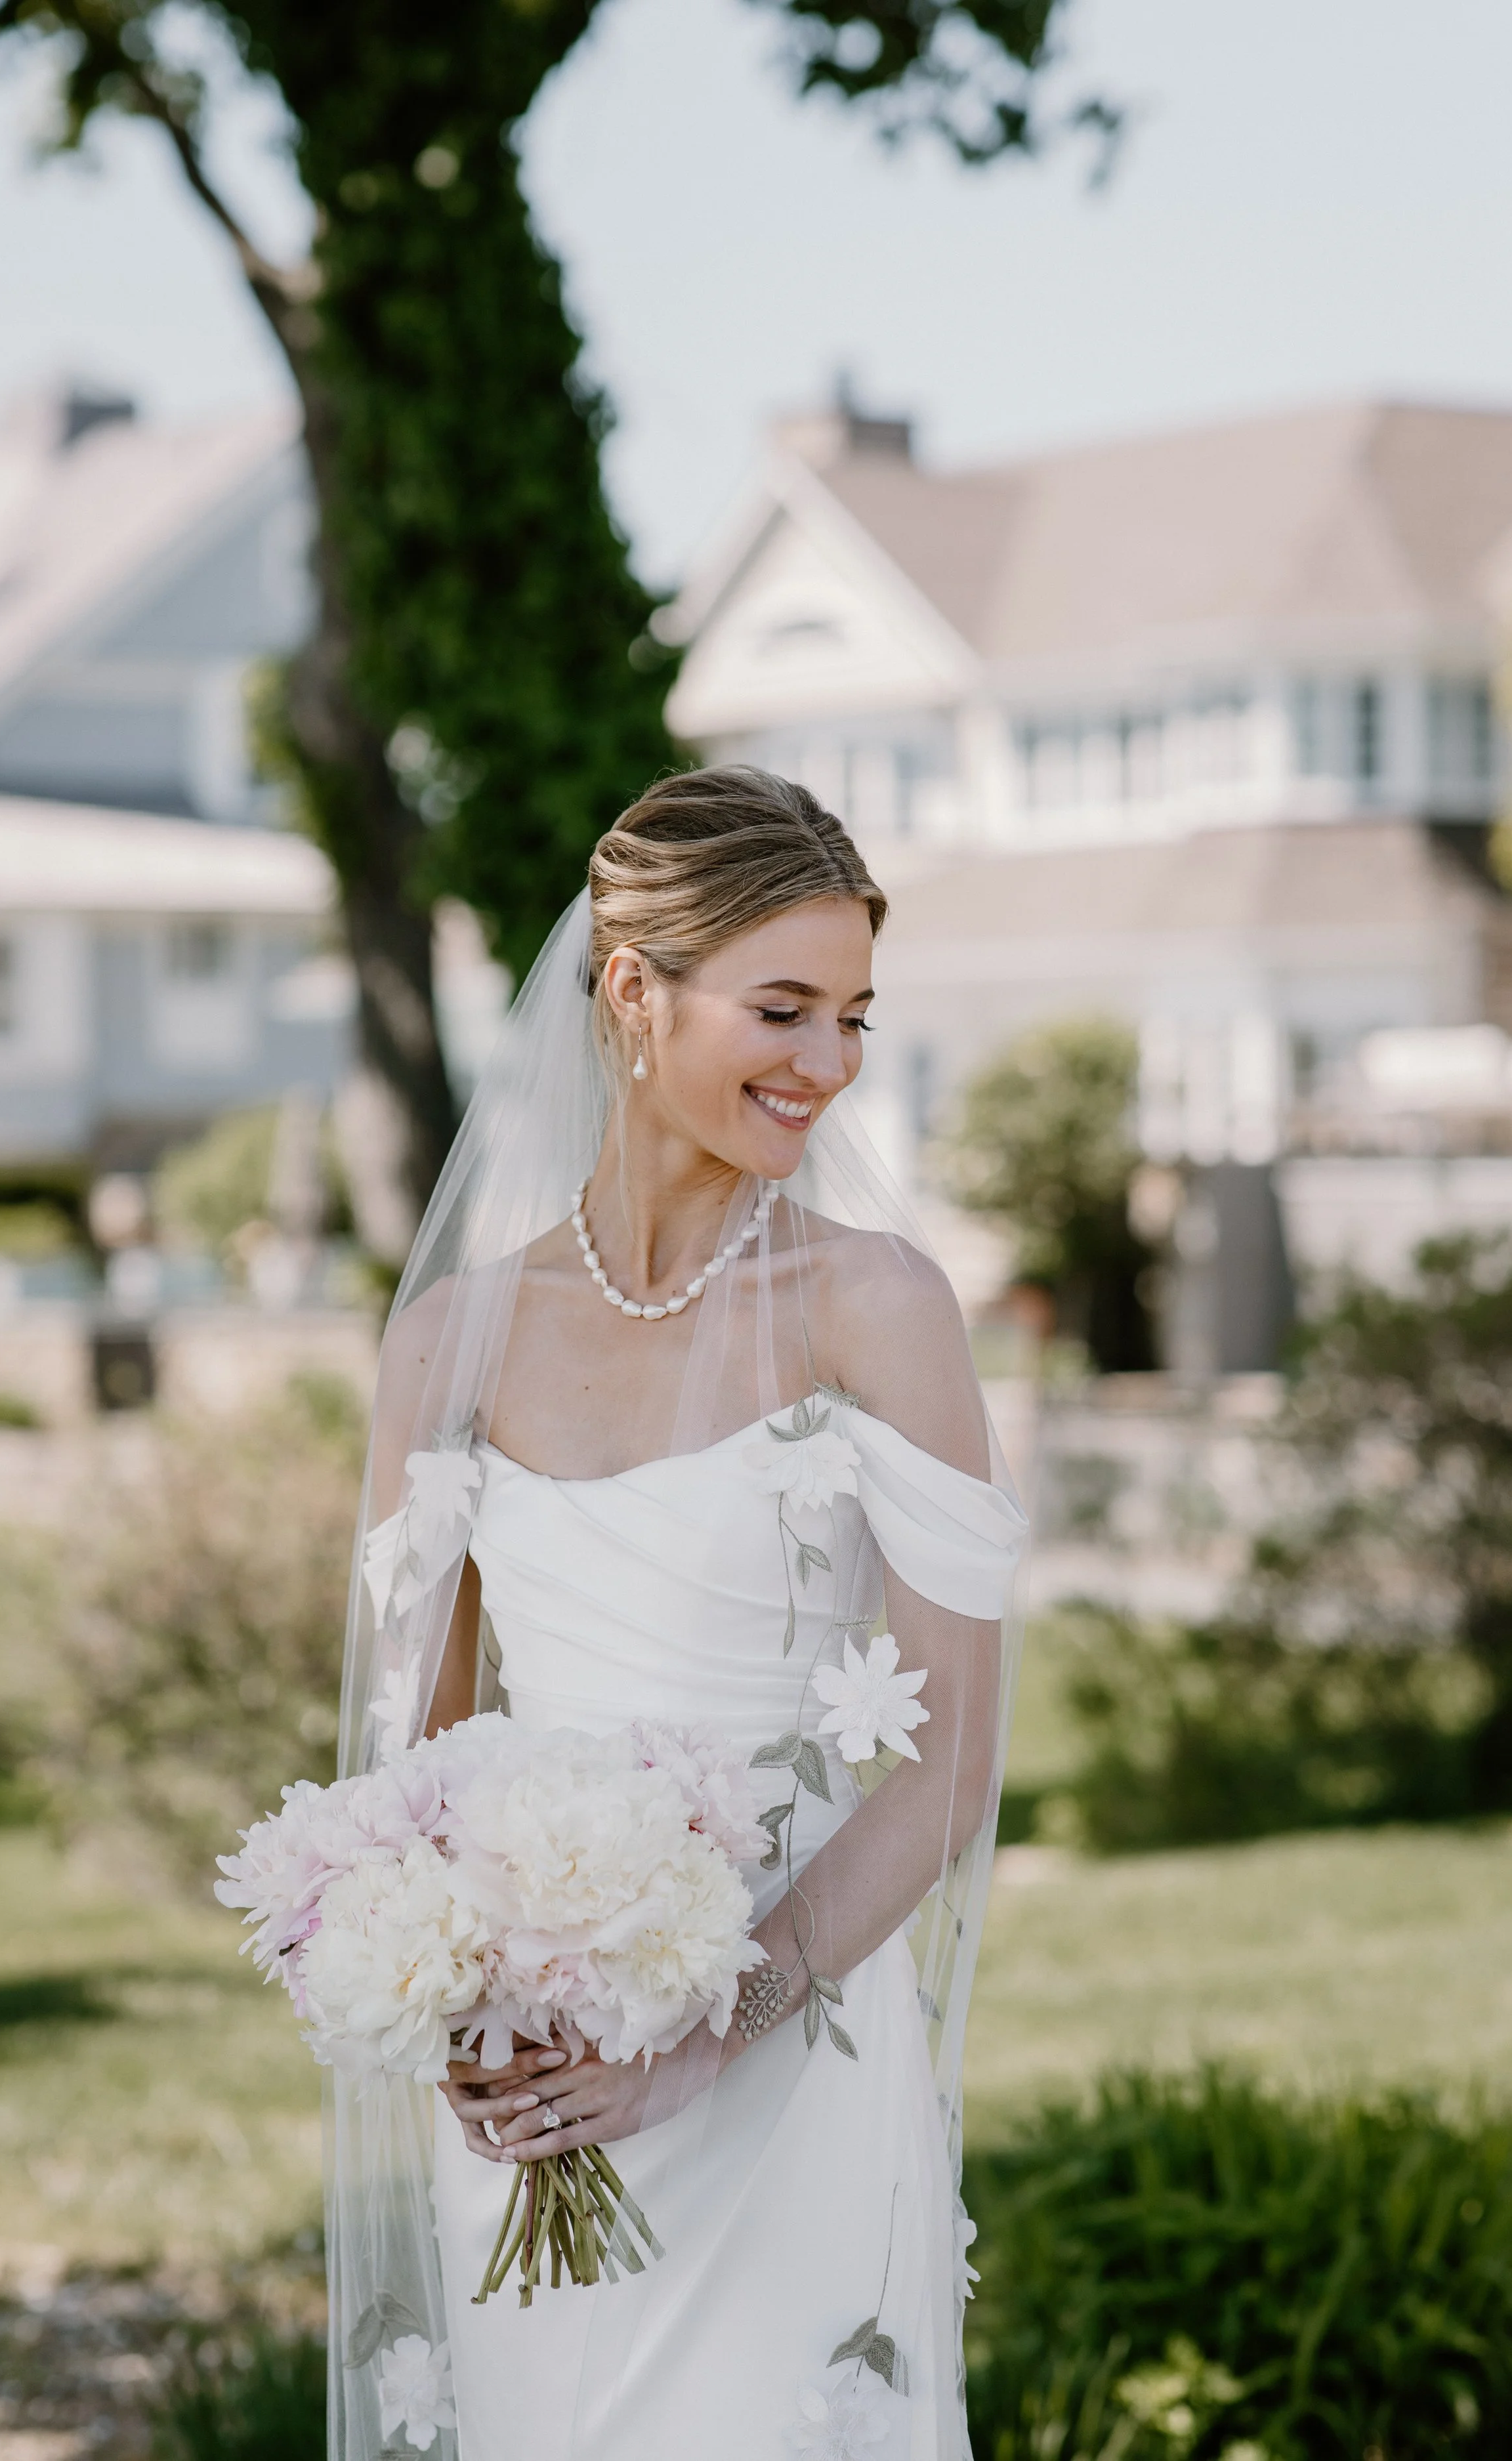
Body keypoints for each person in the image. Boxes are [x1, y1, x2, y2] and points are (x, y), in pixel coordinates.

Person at [329, 767, 1028, 2461]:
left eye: (854, 1015)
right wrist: (458, 2003)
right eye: (780, 1007)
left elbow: (946, 1755)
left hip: (790, 2054)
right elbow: (410, 1762)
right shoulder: (449, 1343)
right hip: (538, 2080)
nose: (829, 1065)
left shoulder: (875, 1305)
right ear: (631, 993)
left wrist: (718, 2015)